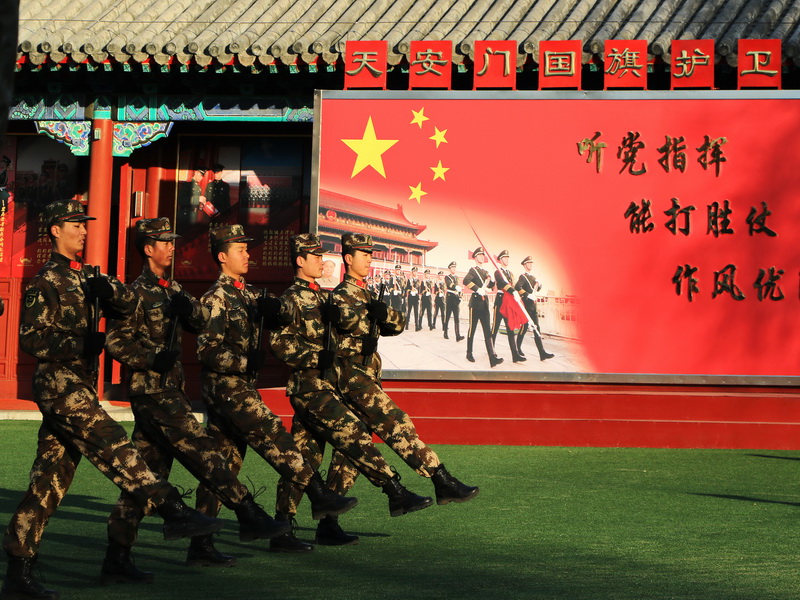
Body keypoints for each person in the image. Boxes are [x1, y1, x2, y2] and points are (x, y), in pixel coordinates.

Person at [2, 201, 222, 600]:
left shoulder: (89, 274)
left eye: (84, 225)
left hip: (80, 384)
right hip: (58, 385)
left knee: (49, 483)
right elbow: (31, 339)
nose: (83, 231)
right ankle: (171, 509)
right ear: (55, 230)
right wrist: (80, 344)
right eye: (75, 225)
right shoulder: (45, 280)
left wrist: (110, 293)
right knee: (113, 442)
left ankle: (19, 571)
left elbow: (129, 302)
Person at [103, 218, 289, 581]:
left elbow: (202, 320)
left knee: (147, 477)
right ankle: (248, 512)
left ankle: (117, 557)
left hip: (169, 388)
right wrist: (149, 358)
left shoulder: (172, 287)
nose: (172, 247)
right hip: (151, 390)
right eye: (165, 242)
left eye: (173, 241)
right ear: (148, 249)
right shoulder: (134, 293)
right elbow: (115, 341)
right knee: (202, 448)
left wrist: (189, 310)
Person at [195, 225, 357, 546]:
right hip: (226, 389)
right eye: (240, 250)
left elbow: (282, 307)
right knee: (276, 437)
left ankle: (201, 542)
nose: (248, 254)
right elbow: (206, 350)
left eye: (246, 248)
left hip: (241, 387)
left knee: (223, 466)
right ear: (222, 257)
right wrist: (245, 362)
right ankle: (318, 495)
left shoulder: (248, 293)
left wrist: (281, 310)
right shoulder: (215, 298)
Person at [269, 233, 432, 549]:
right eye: (316, 256)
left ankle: (310, 526)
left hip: (330, 387)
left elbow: (338, 342)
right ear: (300, 260)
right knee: (352, 438)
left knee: (307, 457)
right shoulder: (290, 298)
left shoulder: (324, 297)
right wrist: (315, 357)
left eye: (322, 255)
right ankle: (393, 492)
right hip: (309, 388)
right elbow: (279, 343)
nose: (322, 261)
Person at [328, 233, 479, 512]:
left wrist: (382, 314)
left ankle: (329, 517)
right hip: (352, 377)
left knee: (351, 448)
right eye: (364, 255)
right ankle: (441, 478)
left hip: (367, 376)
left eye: (370, 254)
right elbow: (340, 333)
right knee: (396, 422)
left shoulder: (367, 293)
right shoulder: (340, 296)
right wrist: (364, 334)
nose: (369, 259)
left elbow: (398, 323)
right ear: (348, 258)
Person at [463, 246, 502, 367]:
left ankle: (492, 357)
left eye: (482, 255)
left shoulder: (486, 272)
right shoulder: (473, 270)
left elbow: (491, 287)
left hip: (484, 303)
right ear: (475, 258)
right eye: (479, 255)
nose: (482, 257)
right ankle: (469, 353)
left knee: (487, 331)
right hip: (475, 303)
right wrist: (477, 289)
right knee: (472, 329)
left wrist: (492, 280)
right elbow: (466, 281)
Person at [515, 256, 555, 361]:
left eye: (531, 263)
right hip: (526, 305)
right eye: (528, 263)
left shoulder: (533, 277)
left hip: (533, 306)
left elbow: (537, 289)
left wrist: (539, 285)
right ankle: (517, 349)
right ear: (524, 265)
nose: (530, 265)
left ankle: (542, 353)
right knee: (524, 328)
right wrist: (527, 295)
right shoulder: (523, 277)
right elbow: (518, 287)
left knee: (536, 328)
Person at [490, 250, 527, 363]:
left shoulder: (510, 273)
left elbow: (514, 285)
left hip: (509, 303)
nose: (507, 260)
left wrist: (518, 294)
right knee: (495, 327)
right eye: (505, 258)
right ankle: (492, 352)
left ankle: (515, 355)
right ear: (500, 260)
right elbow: (502, 284)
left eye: (508, 258)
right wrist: (512, 291)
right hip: (500, 301)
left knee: (510, 328)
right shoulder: (498, 272)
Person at [443, 261, 464, 341]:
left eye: (455, 267)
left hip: (456, 298)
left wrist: (460, 295)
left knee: (456, 317)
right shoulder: (447, 277)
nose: (454, 269)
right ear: (449, 268)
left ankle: (457, 335)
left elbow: (459, 288)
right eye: (452, 267)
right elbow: (450, 285)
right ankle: (445, 332)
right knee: (448, 315)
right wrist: (456, 287)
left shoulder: (457, 278)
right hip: (450, 297)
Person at [405, 266, 421, 331]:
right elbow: (407, 288)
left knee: (416, 312)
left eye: (416, 272)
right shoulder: (409, 280)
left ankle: (417, 326)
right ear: (412, 272)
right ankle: (407, 324)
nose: (415, 273)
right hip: (411, 297)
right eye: (414, 272)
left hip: (416, 297)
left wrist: (417, 291)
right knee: (409, 311)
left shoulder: (418, 280)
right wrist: (410, 291)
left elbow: (419, 289)